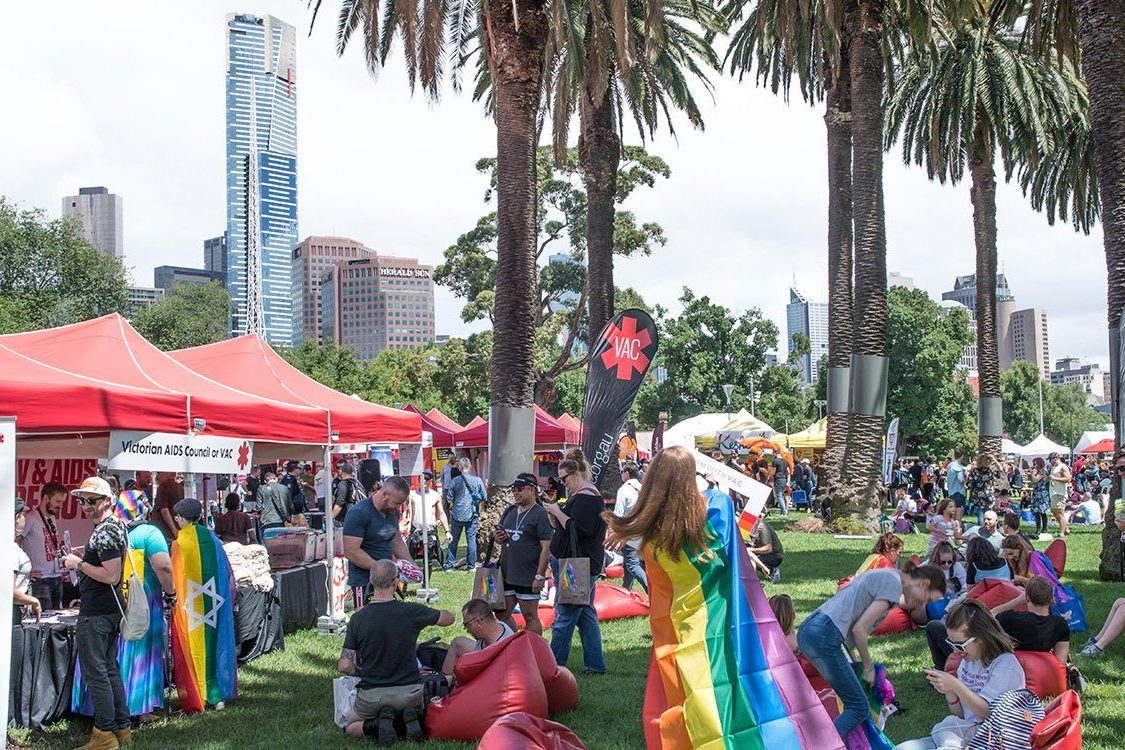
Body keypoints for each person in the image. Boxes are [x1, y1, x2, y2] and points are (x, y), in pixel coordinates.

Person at [799, 564, 946, 740]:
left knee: (853, 702)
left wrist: (856, 664)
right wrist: (868, 668)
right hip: (823, 636)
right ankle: (824, 745)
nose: (923, 604)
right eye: (927, 599)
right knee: (858, 707)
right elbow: (859, 630)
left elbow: (849, 625)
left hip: (813, 631)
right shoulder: (893, 583)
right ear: (924, 584)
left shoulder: (889, 575)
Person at [73, 489, 177, 722]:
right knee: (142, 653)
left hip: (113, 598)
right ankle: (140, 709)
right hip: (144, 598)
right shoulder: (150, 533)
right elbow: (163, 567)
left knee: (110, 659)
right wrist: (171, 592)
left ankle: (101, 711)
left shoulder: (110, 530)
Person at [338, 559, 454, 743]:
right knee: (416, 706)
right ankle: (405, 721)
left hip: (372, 695)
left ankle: (376, 724)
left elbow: (344, 666)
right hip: (411, 693)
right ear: (396, 581)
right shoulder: (411, 610)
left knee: (348, 726)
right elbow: (448, 619)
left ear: (371, 580)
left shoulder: (358, 618)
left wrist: (360, 671)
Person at [61, 477, 130, 750]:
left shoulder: (105, 531)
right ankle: (121, 728)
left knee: (97, 673)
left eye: (91, 500)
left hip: (98, 612)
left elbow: (111, 575)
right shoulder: (114, 526)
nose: (85, 506)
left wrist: (79, 564)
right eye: (82, 500)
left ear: (107, 501)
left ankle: (104, 735)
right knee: (109, 669)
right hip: (110, 610)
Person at [900, 600, 1026, 749]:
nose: (954, 651)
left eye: (959, 645)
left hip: (992, 739)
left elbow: (986, 713)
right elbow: (962, 715)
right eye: (951, 644)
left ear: (980, 638)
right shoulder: (968, 661)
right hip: (966, 733)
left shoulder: (1005, 666)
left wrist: (956, 685)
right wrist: (950, 692)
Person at [543, 449, 607, 674]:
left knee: (565, 614)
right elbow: (566, 528)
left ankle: (552, 667)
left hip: (578, 565)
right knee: (586, 615)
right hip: (580, 564)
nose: (563, 484)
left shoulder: (587, 498)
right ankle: (595, 664)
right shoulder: (581, 497)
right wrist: (554, 515)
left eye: (564, 479)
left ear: (576, 474)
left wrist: (558, 512)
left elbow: (580, 529)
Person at [343, 476, 414, 610]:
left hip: (386, 580)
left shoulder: (393, 513)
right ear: (384, 494)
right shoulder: (358, 513)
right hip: (363, 580)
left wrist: (410, 565)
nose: (398, 507)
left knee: (386, 618)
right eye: (396, 503)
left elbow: (396, 539)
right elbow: (352, 551)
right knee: (365, 622)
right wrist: (381, 569)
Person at [495, 473, 553, 636]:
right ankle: (513, 643)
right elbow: (501, 536)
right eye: (513, 489)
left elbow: (546, 548)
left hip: (528, 575)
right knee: (501, 614)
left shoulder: (540, 513)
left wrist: (540, 576)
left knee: (529, 616)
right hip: (507, 572)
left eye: (519, 489)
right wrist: (498, 538)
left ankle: (536, 649)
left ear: (532, 490)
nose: (515, 493)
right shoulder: (510, 510)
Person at [21, 482, 68, 611]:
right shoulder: (30, 517)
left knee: (55, 621)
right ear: (46, 498)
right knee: (42, 623)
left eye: (63, 502)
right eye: (58, 501)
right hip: (40, 580)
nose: (61, 505)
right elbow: (17, 542)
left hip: (56, 577)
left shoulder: (52, 517)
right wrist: (25, 571)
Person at [440, 598, 515, 676]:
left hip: (493, 677)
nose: (465, 629)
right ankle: (443, 679)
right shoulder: (493, 628)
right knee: (457, 643)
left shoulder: (504, 648)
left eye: (466, 624)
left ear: (478, 622)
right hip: (483, 658)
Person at [444, 458, 486, 570]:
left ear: (459, 467)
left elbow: (449, 498)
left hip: (457, 514)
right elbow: (484, 497)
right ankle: (471, 565)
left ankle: (449, 564)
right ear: (470, 466)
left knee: (453, 540)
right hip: (472, 514)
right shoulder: (477, 480)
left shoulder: (455, 481)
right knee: (471, 540)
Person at [613, 462, 647, 592]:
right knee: (629, 562)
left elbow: (618, 514)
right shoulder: (642, 488)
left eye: (622, 472)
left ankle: (652, 592)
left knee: (633, 564)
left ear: (627, 473)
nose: (621, 475)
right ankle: (626, 590)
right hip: (642, 528)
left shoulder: (624, 490)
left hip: (629, 530)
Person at [407, 471, 449, 539]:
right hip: (415, 533)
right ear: (418, 480)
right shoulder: (412, 495)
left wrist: (447, 531)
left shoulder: (435, 495)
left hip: (430, 533)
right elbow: (407, 513)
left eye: (426, 479)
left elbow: (441, 514)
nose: (424, 481)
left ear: (431, 481)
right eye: (421, 478)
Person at [966, 455, 1000, 526]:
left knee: (980, 514)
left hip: (978, 496)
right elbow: (1000, 471)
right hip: (989, 495)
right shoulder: (991, 470)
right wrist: (995, 461)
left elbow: (969, 484)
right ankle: (990, 529)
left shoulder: (975, 471)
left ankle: (982, 531)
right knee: (989, 515)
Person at [748, 516, 784, 583]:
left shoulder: (762, 526)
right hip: (764, 553)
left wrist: (750, 550)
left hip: (775, 555)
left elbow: (768, 549)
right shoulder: (752, 525)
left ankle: (772, 571)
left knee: (748, 558)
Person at [150, 471, 184, 542]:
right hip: (177, 530)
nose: (157, 477)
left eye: (159, 473)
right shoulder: (181, 488)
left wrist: (174, 530)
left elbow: (164, 510)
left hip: (164, 532)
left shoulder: (164, 486)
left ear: (167, 473)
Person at [1048, 452, 1072, 538]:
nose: (1050, 462)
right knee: (1054, 512)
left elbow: (1068, 479)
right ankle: (1066, 528)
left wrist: (1055, 478)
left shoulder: (1063, 467)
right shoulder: (1054, 468)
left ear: (1055, 458)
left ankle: (1062, 532)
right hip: (1053, 492)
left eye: (1050, 460)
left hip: (1060, 492)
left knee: (1060, 512)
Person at [1029, 457, 1052, 539]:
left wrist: (1032, 472)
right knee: (1036, 512)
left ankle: (1044, 529)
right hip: (1036, 493)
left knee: (1042, 512)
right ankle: (1038, 528)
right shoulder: (1037, 471)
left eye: (1035, 463)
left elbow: (1035, 480)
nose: (1034, 465)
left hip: (1042, 494)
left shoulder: (1043, 471)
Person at [945, 449, 967, 521]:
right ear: (962, 456)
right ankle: (958, 529)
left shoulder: (950, 465)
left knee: (952, 513)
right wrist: (967, 478)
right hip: (958, 492)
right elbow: (961, 480)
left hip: (951, 491)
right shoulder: (958, 467)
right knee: (958, 512)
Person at [770, 451, 791, 516]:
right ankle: (782, 512)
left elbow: (773, 472)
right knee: (782, 496)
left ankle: (784, 512)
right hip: (784, 480)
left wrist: (770, 475)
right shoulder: (785, 461)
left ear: (775, 453)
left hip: (778, 479)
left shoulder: (775, 461)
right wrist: (788, 481)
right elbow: (788, 472)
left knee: (779, 496)